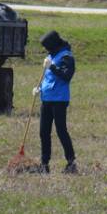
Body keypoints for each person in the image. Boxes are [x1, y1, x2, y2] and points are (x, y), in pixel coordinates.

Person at [35, 30, 77, 174]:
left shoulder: (67, 57)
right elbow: (47, 78)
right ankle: (44, 165)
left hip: (59, 99)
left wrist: (52, 66)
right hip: (46, 99)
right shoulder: (50, 56)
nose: (46, 50)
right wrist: (39, 88)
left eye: (47, 46)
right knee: (43, 132)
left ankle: (71, 163)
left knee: (61, 131)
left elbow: (66, 76)